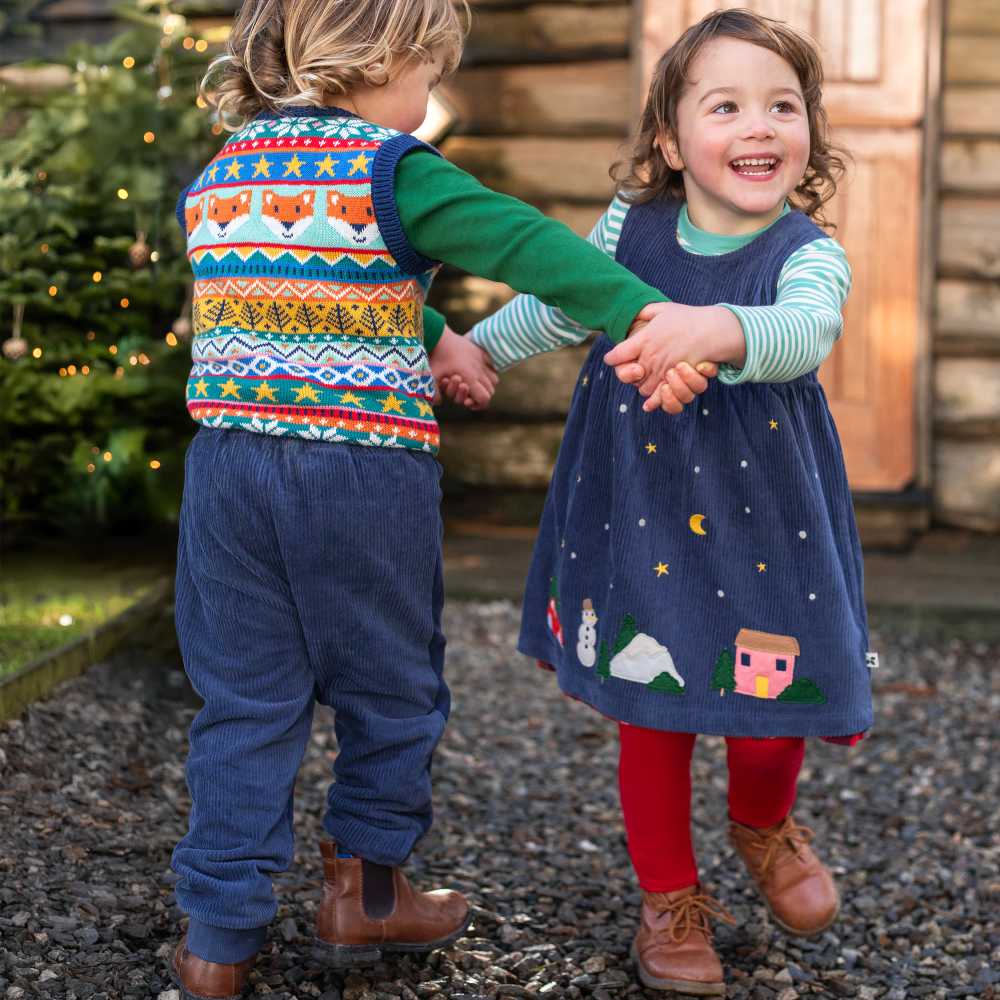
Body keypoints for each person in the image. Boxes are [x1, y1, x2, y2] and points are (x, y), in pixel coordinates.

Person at [166, 0, 693, 995]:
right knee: (388, 686)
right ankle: (365, 896)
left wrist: (432, 329)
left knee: (242, 702)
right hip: (357, 474)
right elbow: (534, 249)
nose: (429, 99)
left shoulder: (221, 174)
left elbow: (304, 283)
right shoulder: (393, 169)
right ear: (385, 55)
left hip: (228, 472)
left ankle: (215, 940)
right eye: (428, 74)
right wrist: (648, 314)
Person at [465, 9, 873, 996]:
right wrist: (477, 345)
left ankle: (761, 821)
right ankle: (668, 895)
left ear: (809, 130)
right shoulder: (632, 229)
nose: (759, 126)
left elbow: (804, 333)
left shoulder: (805, 253)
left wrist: (712, 328)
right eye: (725, 105)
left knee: (775, 709)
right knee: (655, 708)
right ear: (668, 138)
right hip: (636, 508)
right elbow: (564, 299)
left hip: (767, 524)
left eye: (783, 105)